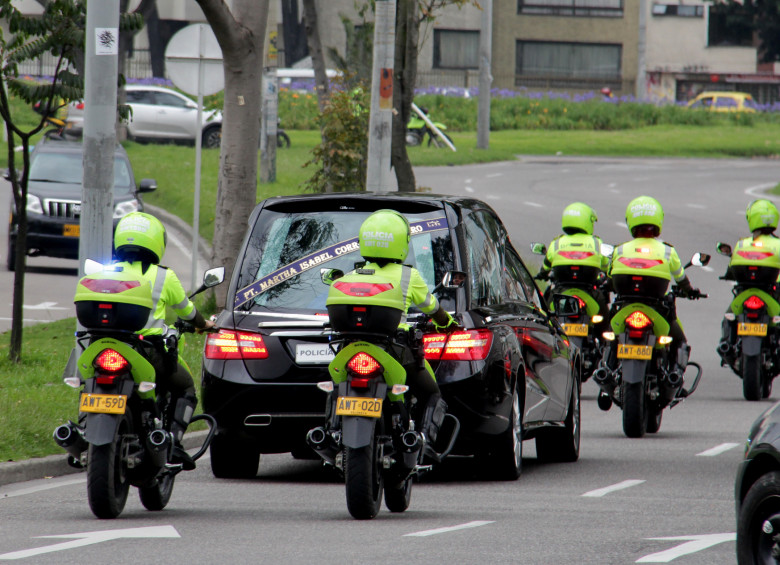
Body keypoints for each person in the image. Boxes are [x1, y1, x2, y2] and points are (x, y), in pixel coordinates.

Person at [334, 209, 457, 455]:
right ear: (401, 242)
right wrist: (447, 323)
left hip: (350, 346)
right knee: (431, 392)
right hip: (396, 349)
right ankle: (422, 441)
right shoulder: (408, 275)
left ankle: (331, 427)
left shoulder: (353, 274)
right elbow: (432, 307)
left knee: (335, 386)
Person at [113, 212, 215, 469]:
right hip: (148, 352)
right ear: (156, 242)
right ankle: (176, 445)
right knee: (186, 389)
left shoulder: (108, 271)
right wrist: (204, 325)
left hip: (110, 346)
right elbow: (188, 312)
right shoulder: (163, 276)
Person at [603, 196, 700, 386]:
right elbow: (681, 278)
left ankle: (607, 371)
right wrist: (689, 291)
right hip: (655, 307)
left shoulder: (620, 250)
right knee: (679, 341)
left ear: (630, 220)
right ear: (658, 221)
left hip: (625, 306)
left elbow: (609, 277)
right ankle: (674, 376)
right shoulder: (667, 251)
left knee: (609, 337)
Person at [718, 199, 780, 361]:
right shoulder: (778, 244)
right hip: (774, 292)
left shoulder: (743, 244)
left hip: (747, 293)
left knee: (729, 316)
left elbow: (732, 268)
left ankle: (727, 343)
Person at [536, 202, 611, 333]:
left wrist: (542, 273)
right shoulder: (595, 242)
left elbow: (546, 265)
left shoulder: (557, 242)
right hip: (589, 292)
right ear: (588, 221)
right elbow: (605, 265)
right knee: (604, 320)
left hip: (561, 290)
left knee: (545, 313)